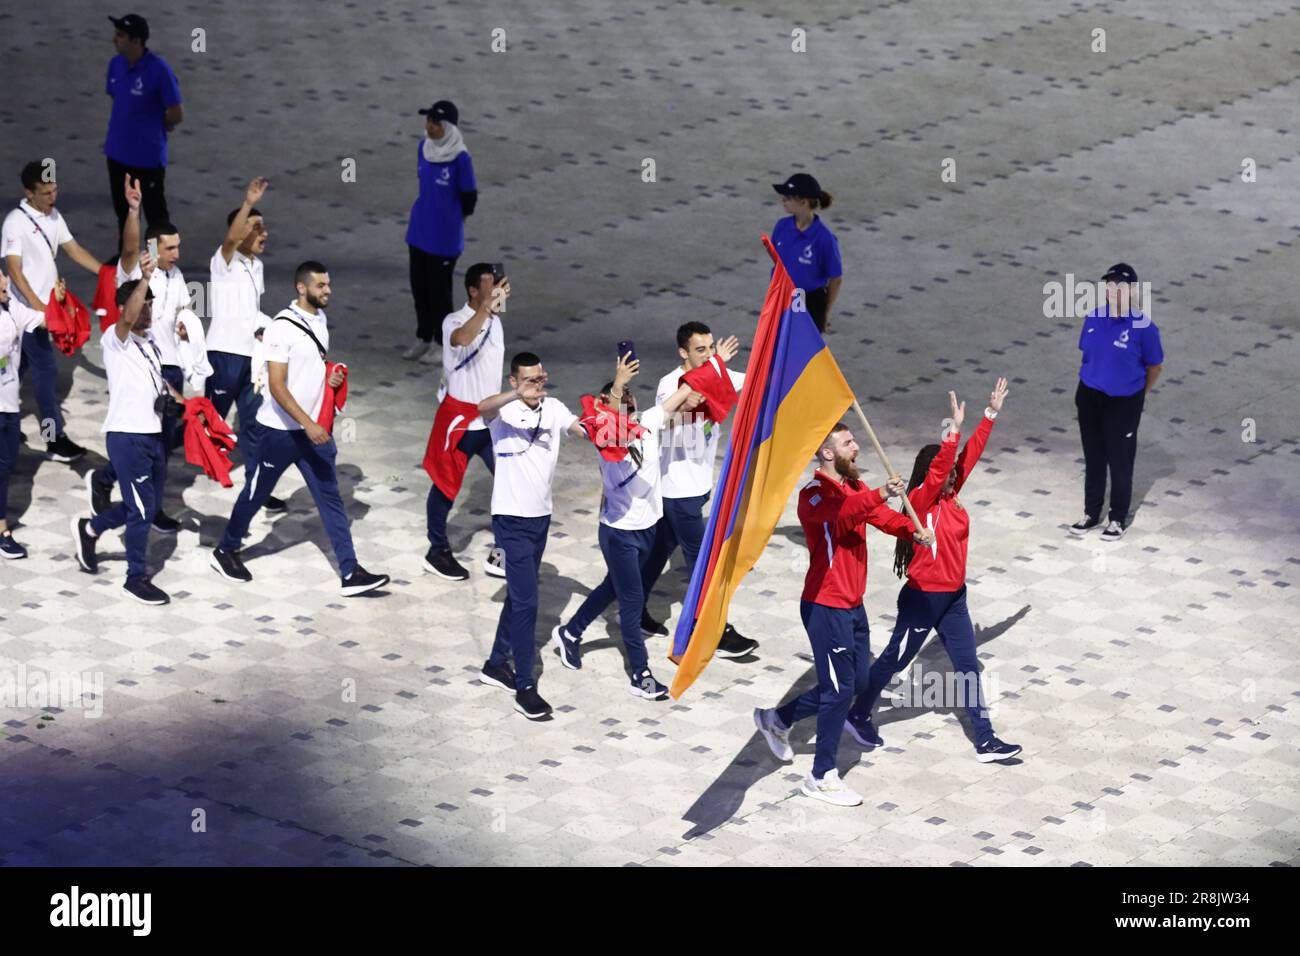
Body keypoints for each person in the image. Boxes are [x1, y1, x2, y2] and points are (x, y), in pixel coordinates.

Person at [752, 419, 931, 808]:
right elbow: (845, 514)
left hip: (853, 604)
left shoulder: (854, 487)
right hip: (824, 605)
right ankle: (821, 776)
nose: (858, 448)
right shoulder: (815, 496)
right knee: (839, 691)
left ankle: (777, 720)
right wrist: (883, 492)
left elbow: (879, 517)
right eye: (850, 443)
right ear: (828, 453)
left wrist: (910, 531)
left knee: (857, 681)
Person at [848, 380, 1022, 764]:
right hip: (923, 598)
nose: (954, 474)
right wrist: (952, 430)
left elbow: (967, 458)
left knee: (968, 668)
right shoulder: (921, 501)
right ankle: (858, 713)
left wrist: (990, 414)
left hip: (954, 598)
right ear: (931, 474)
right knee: (895, 659)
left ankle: (986, 740)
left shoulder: (951, 495)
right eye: (945, 471)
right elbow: (947, 462)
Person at [209, 262, 389, 596]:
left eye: (328, 284)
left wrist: (329, 376)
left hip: (311, 432)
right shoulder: (281, 328)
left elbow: (313, 367)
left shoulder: (319, 322)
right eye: (321, 285)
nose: (328, 291)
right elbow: (277, 385)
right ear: (301, 288)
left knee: (331, 499)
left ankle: (350, 572)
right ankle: (225, 550)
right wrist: (309, 425)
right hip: (278, 432)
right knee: (256, 493)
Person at [551, 352, 703, 700]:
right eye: (622, 402)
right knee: (631, 603)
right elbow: (612, 420)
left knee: (614, 586)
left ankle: (570, 632)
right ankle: (640, 674)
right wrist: (618, 384)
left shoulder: (647, 423)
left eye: (631, 401)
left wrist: (703, 372)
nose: (628, 406)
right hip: (619, 533)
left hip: (648, 528)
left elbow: (677, 397)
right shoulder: (604, 436)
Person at [87, 175, 202, 532]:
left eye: (178, 248)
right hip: (144, 367)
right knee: (148, 440)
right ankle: (131, 496)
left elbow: (183, 310)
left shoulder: (178, 274)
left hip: (173, 367)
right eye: (170, 249)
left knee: (162, 445)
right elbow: (129, 248)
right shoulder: (139, 270)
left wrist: (185, 327)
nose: (177, 254)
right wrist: (134, 210)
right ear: (154, 248)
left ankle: (123, 490)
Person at [476, 352, 586, 720]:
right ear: (513, 381)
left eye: (540, 379)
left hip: (541, 517)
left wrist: (612, 406)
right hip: (510, 519)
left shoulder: (552, 407)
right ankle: (525, 685)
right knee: (527, 603)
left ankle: (495, 663)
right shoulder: (503, 412)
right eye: (528, 380)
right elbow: (482, 407)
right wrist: (516, 394)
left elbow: (580, 429)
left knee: (520, 596)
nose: (536, 385)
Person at [70, 252, 184, 604]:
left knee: (144, 506)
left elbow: (161, 383)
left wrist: (185, 404)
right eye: (144, 306)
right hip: (127, 436)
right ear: (127, 308)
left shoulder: (149, 344)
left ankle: (89, 529)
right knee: (141, 511)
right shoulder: (114, 339)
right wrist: (146, 279)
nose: (150, 311)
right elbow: (131, 314)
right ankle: (136, 577)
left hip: (152, 434)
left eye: (152, 306)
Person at [642, 321, 758, 658]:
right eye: (700, 350)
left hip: (698, 486)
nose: (708, 355)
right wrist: (717, 365)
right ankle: (714, 631)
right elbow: (672, 412)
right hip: (677, 490)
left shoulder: (716, 372)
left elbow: (756, 381)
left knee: (661, 550)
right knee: (704, 563)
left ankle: (631, 609)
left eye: (710, 348)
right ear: (683, 352)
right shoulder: (670, 384)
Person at [2, 161, 106, 463]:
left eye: (55, 191)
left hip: (44, 313)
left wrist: (106, 273)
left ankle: (5, 425)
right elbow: (14, 271)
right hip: (28, 315)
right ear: (29, 193)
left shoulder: (54, 216)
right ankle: (53, 439)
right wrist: (41, 309)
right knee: (45, 376)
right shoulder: (15, 223)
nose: (52, 198)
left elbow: (73, 249)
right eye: (46, 193)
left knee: (16, 368)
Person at [422, 263, 506, 581]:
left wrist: (491, 306)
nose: (497, 288)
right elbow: (463, 338)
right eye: (490, 283)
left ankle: (502, 551)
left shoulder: (496, 322)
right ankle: (437, 550)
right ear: (473, 290)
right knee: (445, 486)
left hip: (490, 422)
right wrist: (486, 307)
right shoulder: (452, 321)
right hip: (460, 421)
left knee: (510, 483)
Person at [205, 176, 284, 513]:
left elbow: (251, 311)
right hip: (223, 355)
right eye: (256, 228)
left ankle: (257, 488)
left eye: (263, 228)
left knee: (254, 425)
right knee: (211, 422)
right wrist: (248, 204)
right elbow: (230, 238)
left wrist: (269, 328)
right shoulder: (223, 262)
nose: (263, 233)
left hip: (251, 359)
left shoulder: (258, 267)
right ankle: (164, 458)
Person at [1070, 263, 1163, 541]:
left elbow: (1155, 366)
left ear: (1133, 290)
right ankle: (1090, 512)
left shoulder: (1144, 327)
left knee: (1120, 460)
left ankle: (1117, 518)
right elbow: (1088, 355)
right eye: (1109, 285)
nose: (1113, 291)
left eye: (1120, 286)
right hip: (1089, 396)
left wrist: (1137, 393)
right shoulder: (1094, 317)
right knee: (1094, 456)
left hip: (1123, 401)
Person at [403, 100, 478, 363]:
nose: (430, 127)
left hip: (444, 240)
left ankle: (442, 342)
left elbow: (469, 197)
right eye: (428, 121)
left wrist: (451, 219)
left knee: (439, 293)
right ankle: (423, 337)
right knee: (419, 289)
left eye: (435, 122)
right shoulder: (423, 149)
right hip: (419, 233)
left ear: (448, 127)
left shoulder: (460, 159)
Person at [104, 14, 183, 241]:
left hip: (147, 159)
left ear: (136, 41)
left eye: (120, 35)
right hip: (117, 153)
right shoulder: (115, 65)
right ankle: (126, 260)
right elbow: (117, 99)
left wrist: (159, 127)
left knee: (155, 216)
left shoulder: (159, 70)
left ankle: (160, 262)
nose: (114, 39)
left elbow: (176, 112)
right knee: (125, 214)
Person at [771, 172, 842, 333]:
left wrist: (825, 314)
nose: (783, 200)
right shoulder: (782, 227)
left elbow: (835, 279)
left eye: (788, 197)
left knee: (803, 354)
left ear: (803, 202)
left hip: (809, 301)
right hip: (781, 296)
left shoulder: (824, 239)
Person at [0, 271, 28, 558]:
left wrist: (61, 310)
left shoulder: (10, 305)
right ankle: (1, 529)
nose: (6, 282)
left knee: (6, 466)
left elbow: (34, 319)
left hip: (10, 403)